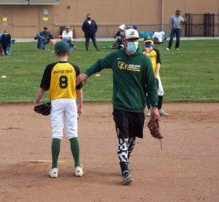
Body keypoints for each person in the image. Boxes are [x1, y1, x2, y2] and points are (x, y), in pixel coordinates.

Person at [76, 29, 159, 185]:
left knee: (132, 140)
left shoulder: (144, 61)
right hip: (120, 106)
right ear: (124, 42)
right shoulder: (117, 56)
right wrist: (86, 74)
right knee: (123, 138)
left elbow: (151, 86)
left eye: (136, 40)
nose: (134, 42)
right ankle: (125, 170)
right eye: (130, 40)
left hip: (137, 107)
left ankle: (124, 159)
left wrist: (154, 107)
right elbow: (100, 63)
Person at [34, 41, 84, 178]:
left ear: (55, 53)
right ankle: (78, 167)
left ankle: (54, 168)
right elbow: (79, 90)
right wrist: (80, 106)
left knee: (57, 134)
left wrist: (36, 102)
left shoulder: (50, 67)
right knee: (73, 133)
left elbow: (43, 88)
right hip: (71, 101)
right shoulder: (75, 68)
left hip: (56, 102)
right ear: (69, 53)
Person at [142, 36, 169, 117]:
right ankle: (149, 109)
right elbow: (144, 63)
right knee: (147, 93)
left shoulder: (156, 51)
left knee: (160, 91)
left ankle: (159, 109)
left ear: (152, 43)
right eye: (146, 43)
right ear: (144, 44)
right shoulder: (142, 53)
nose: (148, 44)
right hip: (146, 76)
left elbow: (158, 63)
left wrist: (155, 75)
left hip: (156, 75)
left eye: (149, 43)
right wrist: (146, 53)